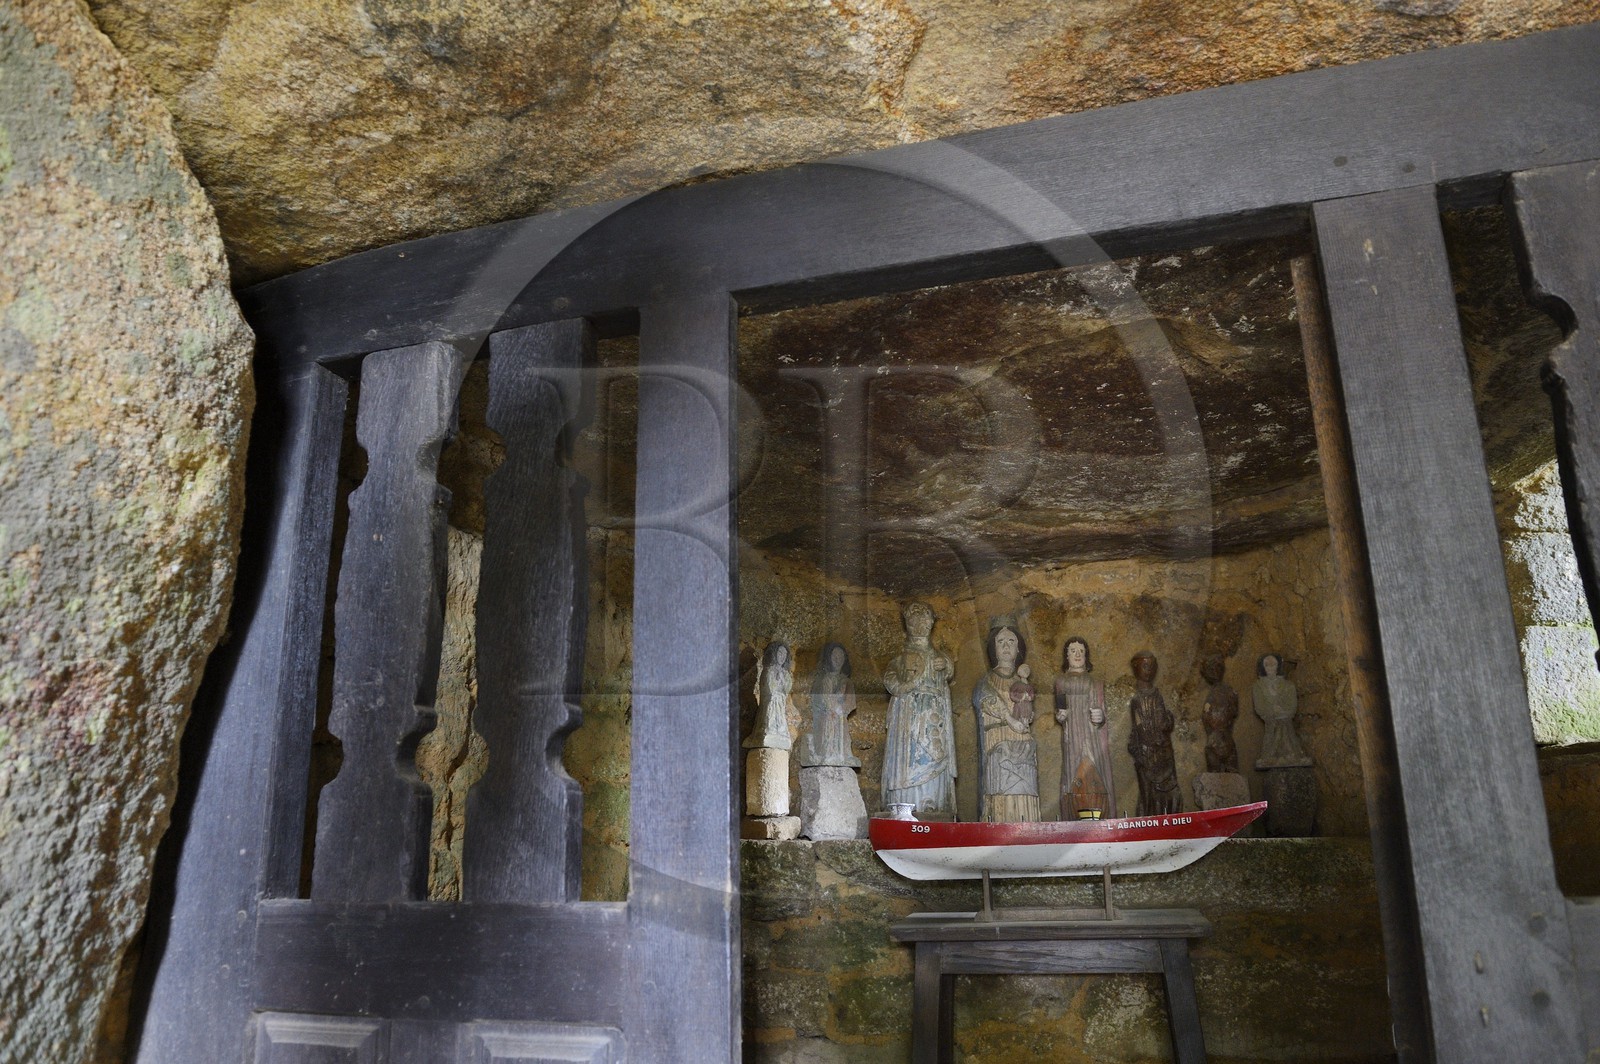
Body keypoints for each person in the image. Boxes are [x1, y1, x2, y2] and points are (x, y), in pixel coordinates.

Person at [881, 602, 956, 816]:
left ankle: (934, 805)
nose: (920, 625)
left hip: (934, 714)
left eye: (924, 620)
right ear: (907, 624)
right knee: (908, 760)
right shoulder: (900, 658)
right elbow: (890, 680)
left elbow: (947, 675)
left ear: (931, 623)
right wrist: (907, 686)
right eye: (914, 621)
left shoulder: (940, 658)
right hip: (908, 716)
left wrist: (947, 665)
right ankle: (905, 806)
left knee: (936, 755)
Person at [972, 621, 1040, 823]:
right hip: (997, 738)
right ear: (993, 649)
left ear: (1019, 648)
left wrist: (1027, 716)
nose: (1006, 646)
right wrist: (1009, 719)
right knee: (1001, 785)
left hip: (1022, 740)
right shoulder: (987, 680)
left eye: (1011, 641)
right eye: (1000, 642)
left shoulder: (1022, 681)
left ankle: (1028, 823)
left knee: (1025, 785)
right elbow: (985, 699)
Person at [1054, 636, 1115, 819]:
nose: (1077, 654)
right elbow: (1060, 708)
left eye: (1081, 651)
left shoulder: (1095, 683)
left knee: (1096, 773)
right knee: (1073, 774)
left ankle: (1102, 815)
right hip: (1072, 734)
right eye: (1073, 651)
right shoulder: (1061, 682)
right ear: (1066, 656)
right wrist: (1061, 716)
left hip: (1092, 734)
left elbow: (1101, 709)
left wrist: (1100, 717)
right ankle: (1072, 816)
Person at [1127, 650, 1179, 815]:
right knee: (1150, 798)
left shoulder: (1157, 695)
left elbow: (1161, 723)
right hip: (1149, 754)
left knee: (1169, 796)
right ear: (1136, 668)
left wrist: (1167, 722)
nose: (1148, 670)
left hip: (1162, 753)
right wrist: (1165, 722)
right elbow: (1143, 728)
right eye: (1145, 666)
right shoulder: (1137, 700)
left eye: (1151, 666)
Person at [798, 643, 859, 767]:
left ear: (845, 659)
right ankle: (828, 753)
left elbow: (850, 703)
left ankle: (842, 754)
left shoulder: (847, 682)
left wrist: (840, 707)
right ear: (829, 658)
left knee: (842, 741)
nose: (837, 659)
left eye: (841, 656)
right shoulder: (823, 680)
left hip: (840, 718)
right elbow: (822, 701)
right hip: (826, 719)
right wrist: (834, 703)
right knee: (828, 739)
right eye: (834, 656)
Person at [1253, 652, 1310, 768]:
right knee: (1274, 728)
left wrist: (1283, 711)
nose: (1270, 668)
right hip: (1270, 721)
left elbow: (1292, 705)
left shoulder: (1288, 685)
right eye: (1267, 665)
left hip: (1285, 719)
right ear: (1263, 667)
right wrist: (1272, 710)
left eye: (1273, 664)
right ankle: (1269, 756)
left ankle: (1293, 755)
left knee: (1285, 727)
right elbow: (1259, 706)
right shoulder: (1258, 686)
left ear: (1278, 666)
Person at [744, 641, 794, 751]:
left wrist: (782, 679)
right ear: (774, 654)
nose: (782, 656)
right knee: (768, 720)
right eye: (780, 653)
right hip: (771, 702)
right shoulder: (768, 670)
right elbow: (769, 689)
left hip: (780, 703)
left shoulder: (785, 673)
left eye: (785, 654)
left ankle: (780, 733)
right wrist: (777, 680)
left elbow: (787, 688)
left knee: (780, 722)